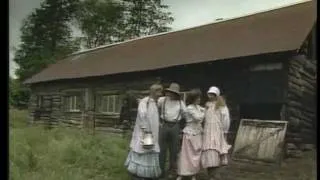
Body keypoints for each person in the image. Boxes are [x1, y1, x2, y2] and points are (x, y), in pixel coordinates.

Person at [125, 84, 164, 180]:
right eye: (159, 92)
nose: (160, 94)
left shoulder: (155, 103)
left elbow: (153, 116)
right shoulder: (144, 102)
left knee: (150, 149)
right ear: (154, 92)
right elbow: (142, 116)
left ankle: (147, 174)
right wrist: (146, 130)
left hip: (153, 132)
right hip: (145, 132)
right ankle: (138, 173)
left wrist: (158, 124)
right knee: (143, 149)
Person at [201, 86, 231, 180]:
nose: (210, 96)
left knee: (215, 149)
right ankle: (210, 173)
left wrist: (225, 131)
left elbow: (225, 119)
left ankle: (214, 174)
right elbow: (203, 117)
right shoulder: (207, 105)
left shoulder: (221, 106)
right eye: (209, 94)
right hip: (207, 129)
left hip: (217, 129)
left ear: (216, 95)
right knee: (208, 150)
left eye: (213, 94)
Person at [158, 83, 187, 179]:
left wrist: (178, 122)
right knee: (161, 149)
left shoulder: (181, 103)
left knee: (174, 150)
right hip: (164, 124)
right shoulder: (162, 100)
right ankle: (160, 170)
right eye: (170, 92)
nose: (171, 94)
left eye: (174, 93)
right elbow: (156, 109)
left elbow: (185, 115)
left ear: (177, 94)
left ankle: (171, 171)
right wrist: (159, 121)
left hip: (175, 125)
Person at [176, 89, 205, 180]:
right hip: (189, 132)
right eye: (197, 98)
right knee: (186, 154)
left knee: (196, 153)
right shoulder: (189, 108)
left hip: (198, 132)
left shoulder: (198, 107)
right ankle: (182, 173)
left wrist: (204, 110)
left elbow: (202, 114)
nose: (199, 99)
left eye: (199, 97)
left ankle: (193, 173)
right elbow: (198, 118)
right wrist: (204, 112)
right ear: (193, 99)